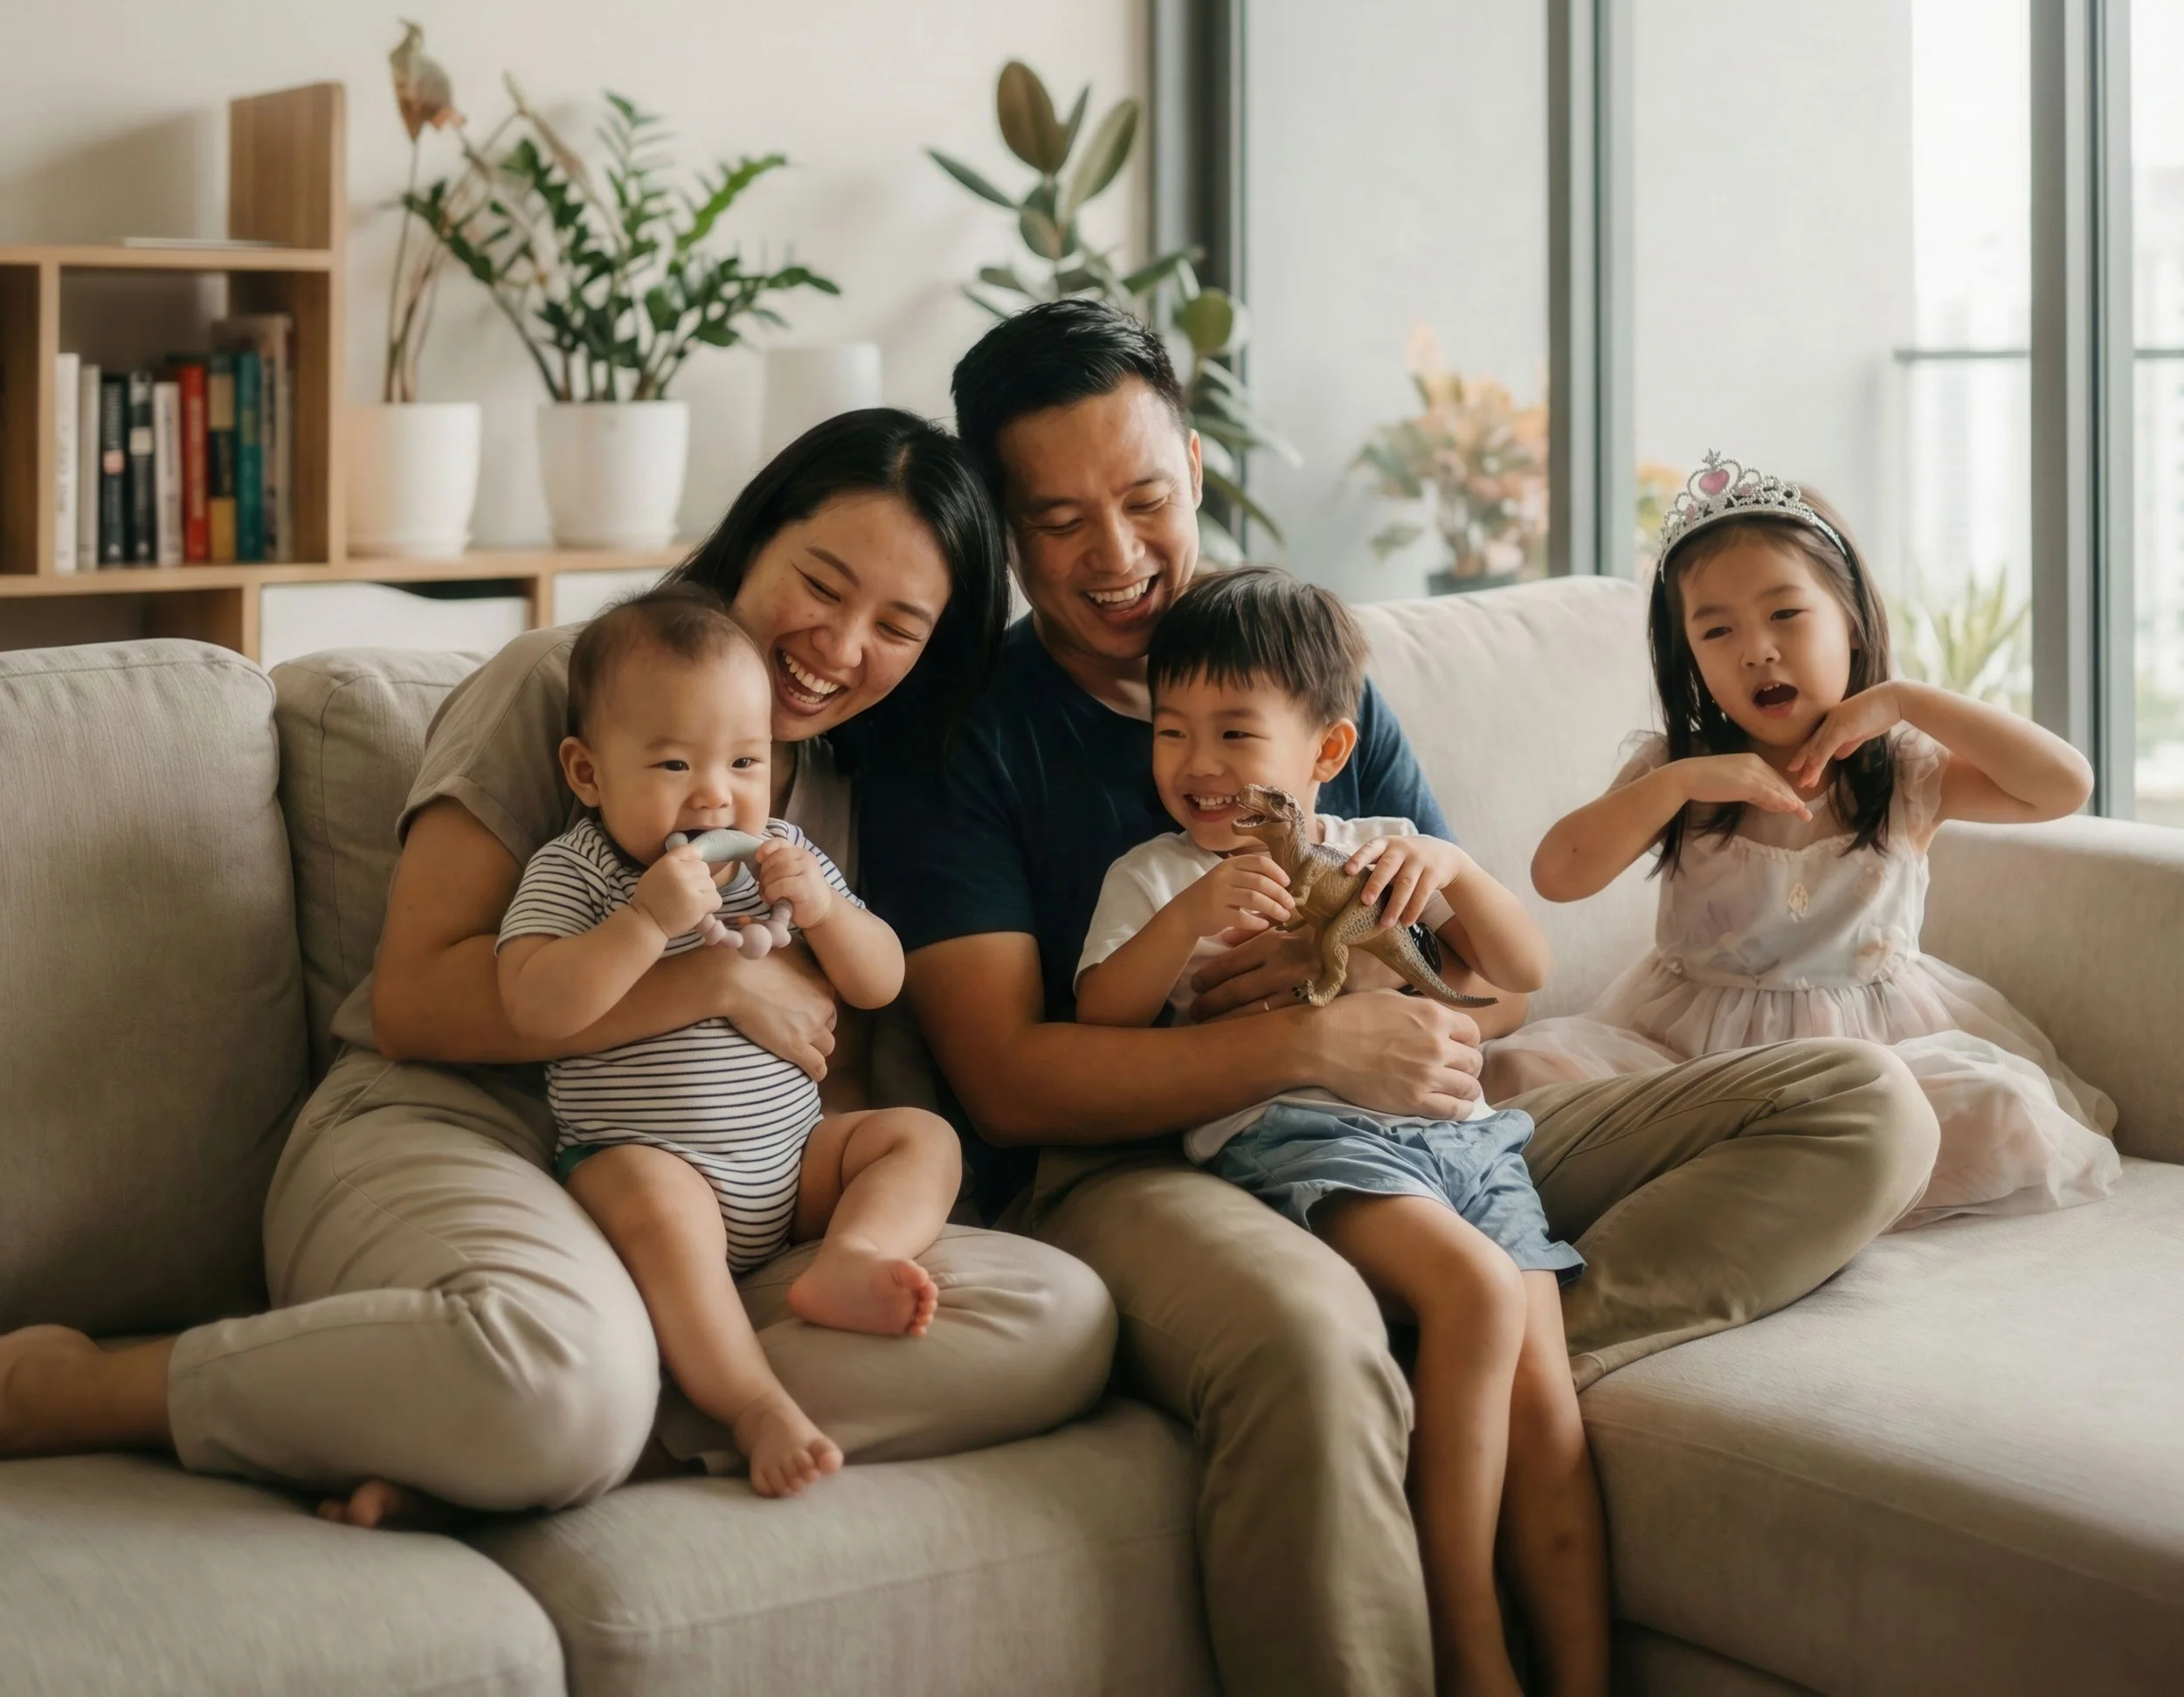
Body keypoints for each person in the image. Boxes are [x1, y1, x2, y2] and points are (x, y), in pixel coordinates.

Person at [857, 299, 1939, 1697]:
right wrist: (1298, 1037)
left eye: (1142, 496)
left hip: (1416, 1127)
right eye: (1059, 519)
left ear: (1192, 462)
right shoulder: (966, 734)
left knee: (1865, 1100)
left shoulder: (1301, 668)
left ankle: (1486, 1330)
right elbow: (1007, 1080)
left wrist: (1397, 1020)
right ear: (1004, 524)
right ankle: (1462, 1331)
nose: (1117, 553)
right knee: (1312, 1347)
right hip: (1138, 1165)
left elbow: (1482, 984)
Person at [0, 410, 1114, 1521]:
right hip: (456, 1128)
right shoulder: (561, 684)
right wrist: (714, 983)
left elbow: (842, 1046)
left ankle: (491, 1441)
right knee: (562, 1375)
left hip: (716, 1193)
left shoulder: (832, 790)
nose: (840, 645)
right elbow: (415, 1003)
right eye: (822, 585)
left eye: (898, 626)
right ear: (756, 540)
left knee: (1052, 1319)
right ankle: (101, 1388)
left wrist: (843, 1201)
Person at [1078, 567, 1607, 1697]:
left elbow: (1523, 972)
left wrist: (1454, 866)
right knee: (1474, 1290)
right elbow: (1099, 1019)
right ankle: (1467, 1638)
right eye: (1172, 730)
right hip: (1302, 1142)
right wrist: (1187, 919)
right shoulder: (1157, 870)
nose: (1198, 762)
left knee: (1546, 1390)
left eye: (1233, 730)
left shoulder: (1383, 844)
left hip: (1465, 1138)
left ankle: (1582, 1673)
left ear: (1325, 750)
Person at [1493, 456, 2121, 1227]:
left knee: (1998, 1106)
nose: (1755, 648)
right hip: (1688, 1061)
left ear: (1852, 624)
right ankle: (1760, 1175)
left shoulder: (1906, 772)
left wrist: (1906, 700)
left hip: (1871, 1065)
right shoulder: (1677, 773)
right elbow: (1557, 875)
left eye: (1786, 614)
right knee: (1522, 1067)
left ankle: (1769, 1179)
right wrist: (1679, 785)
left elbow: (2063, 784)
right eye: (1716, 630)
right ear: (1688, 658)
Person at [498, 585, 961, 1498]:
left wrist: (824, 908)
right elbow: (533, 1007)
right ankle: (751, 1405)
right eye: (674, 763)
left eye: (746, 759)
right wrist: (642, 922)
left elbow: (881, 980)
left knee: (921, 1138)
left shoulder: (780, 854)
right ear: (588, 774)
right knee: (655, 1202)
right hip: (653, 1161)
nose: (717, 792)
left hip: (790, 1167)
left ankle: (850, 1259)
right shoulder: (578, 869)